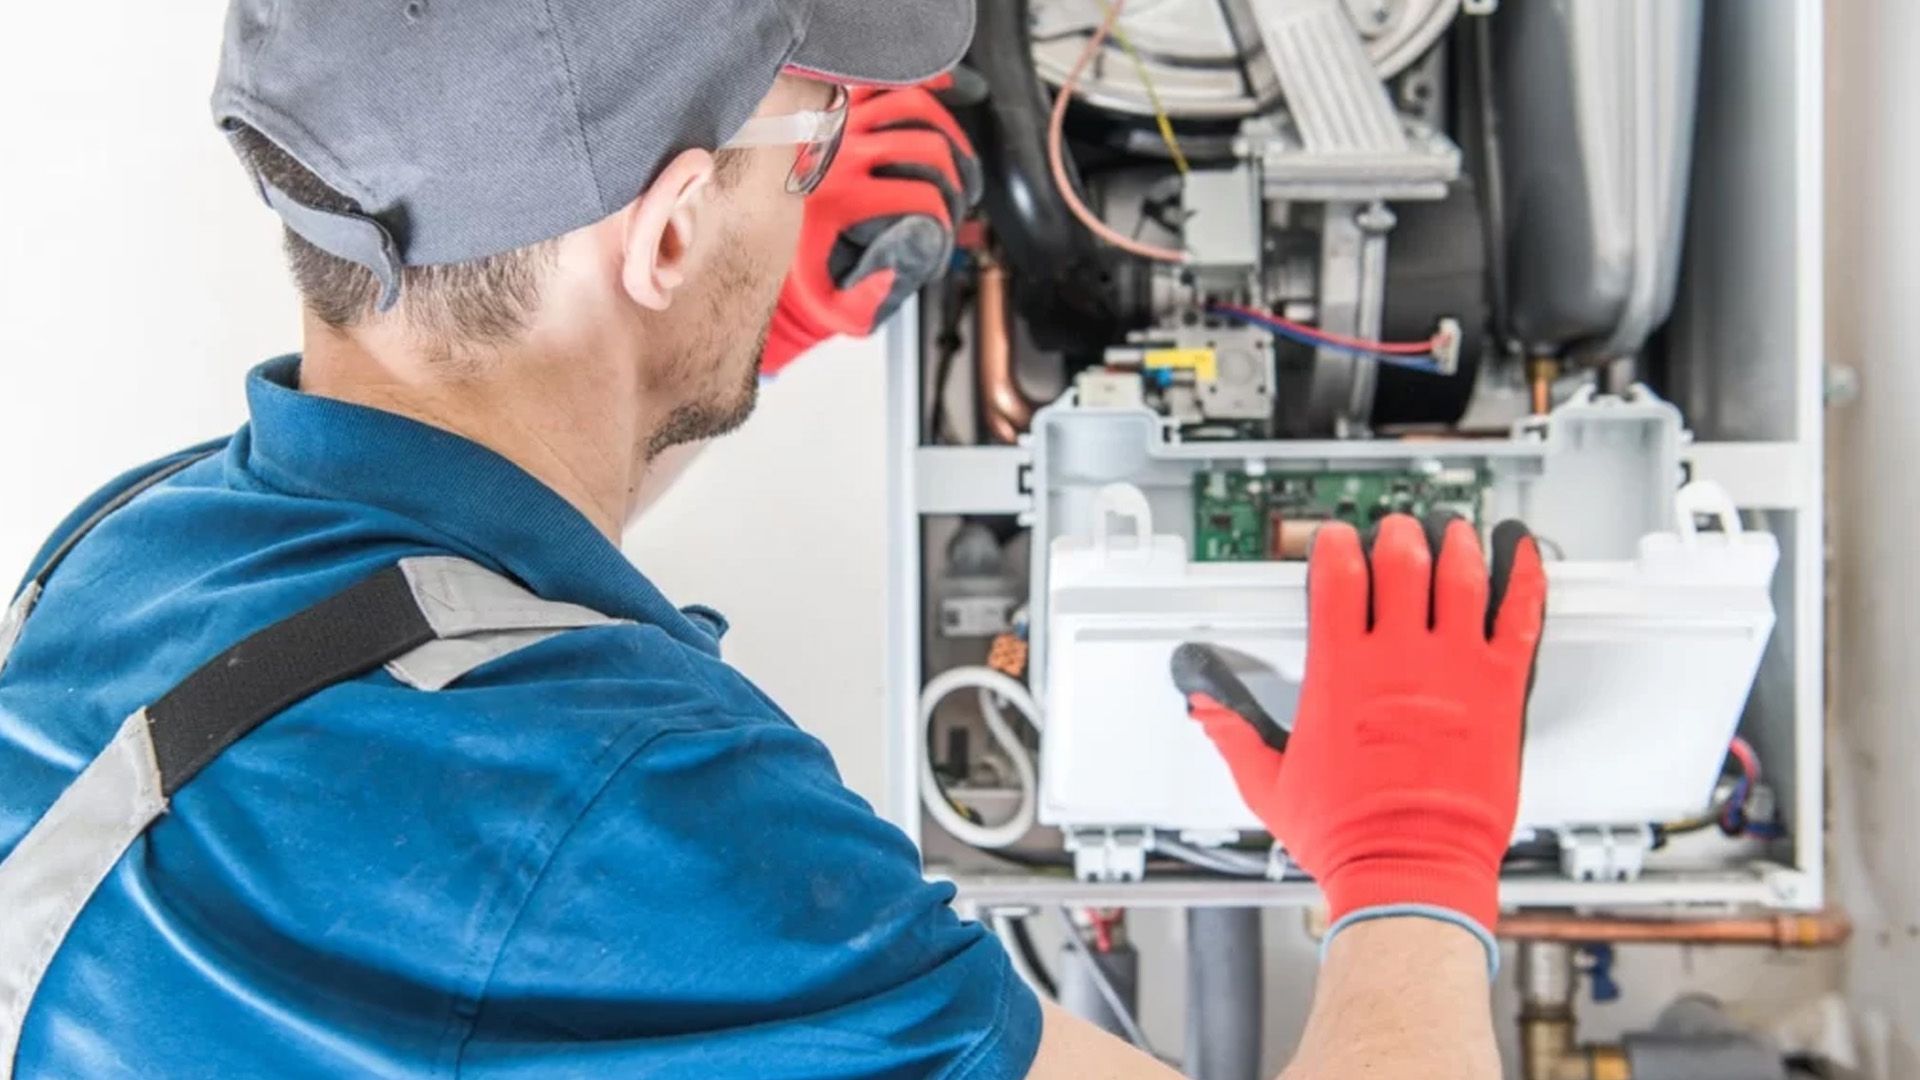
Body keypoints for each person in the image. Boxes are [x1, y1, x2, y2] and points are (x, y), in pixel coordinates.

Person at [0, 1, 1546, 1077]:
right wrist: (1413, 869)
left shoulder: (139, 549)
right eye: (807, 146)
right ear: (666, 238)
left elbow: (434, 616)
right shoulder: (647, 823)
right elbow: (550, 828)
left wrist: (719, 348)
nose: (819, 185)